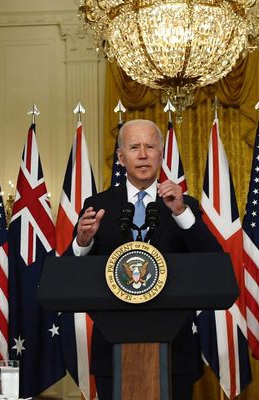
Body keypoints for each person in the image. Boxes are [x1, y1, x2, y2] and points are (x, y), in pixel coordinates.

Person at [71, 119, 220, 399]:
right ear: (120, 157)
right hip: (112, 350)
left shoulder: (182, 204)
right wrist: (82, 241)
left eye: (150, 146)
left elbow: (213, 261)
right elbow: (71, 273)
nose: (142, 154)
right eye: (134, 147)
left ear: (161, 154)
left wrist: (181, 213)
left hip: (175, 351)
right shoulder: (98, 206)